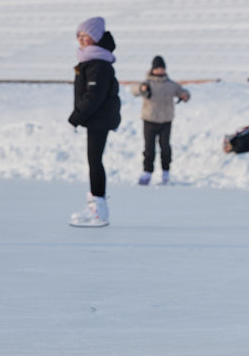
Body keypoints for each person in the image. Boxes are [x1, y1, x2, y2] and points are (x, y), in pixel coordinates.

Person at [67, 17, 121, 227]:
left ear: (96, 37)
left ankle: (99, 210)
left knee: (95, 160)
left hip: (100, 118)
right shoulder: (91, 60)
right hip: (97, 118)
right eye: (78, 36)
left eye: (85, 35)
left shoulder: (98, 64)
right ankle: (95, 206)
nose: (81, 39)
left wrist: (75, 119)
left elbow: (93, 96)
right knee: (93, 160)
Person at [131, 55, 190, 185]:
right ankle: (147, 172)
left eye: (162, 68)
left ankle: (166, 172)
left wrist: (185, 95)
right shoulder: (147, 83)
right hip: (149, 120)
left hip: (165, 121)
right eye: (157, 68)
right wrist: (142, 89)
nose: (160, 71)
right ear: (153, 69)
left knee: (165, 147)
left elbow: (182, 91)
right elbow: (134, 90)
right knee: (149, 148)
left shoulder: (170, 84)